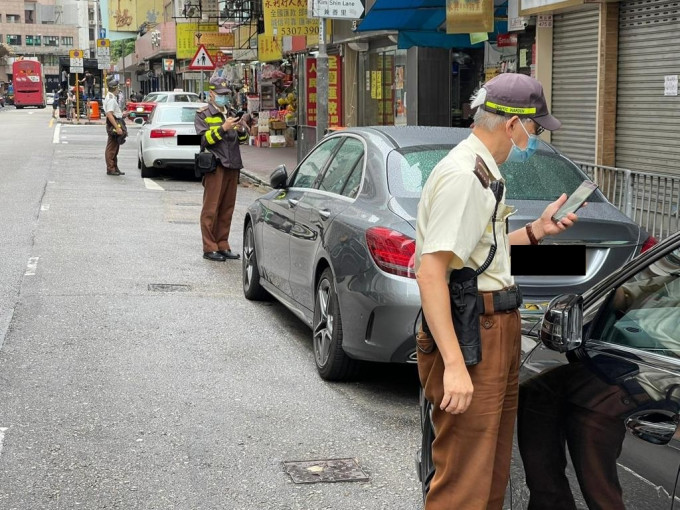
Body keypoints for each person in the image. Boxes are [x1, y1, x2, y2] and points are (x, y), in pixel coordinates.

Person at [414, 73, 579, 510]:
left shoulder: (483, 169)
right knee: (465, 480)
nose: (535, 137)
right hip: (474, 333)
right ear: (512, 125)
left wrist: (537, 232)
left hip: (493, 325)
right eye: (535, 128)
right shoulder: (464, 176)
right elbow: (430, 272)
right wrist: (453, 364)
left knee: (489, 474)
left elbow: (481, 251)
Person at [194, 76, 248, 262]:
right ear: (211, 94)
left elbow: (242, 141)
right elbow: (203, 140)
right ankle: (209, 247)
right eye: (220, 94)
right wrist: (224, 128)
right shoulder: (203, 114)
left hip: (233, 164)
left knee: (227, 208)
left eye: (226, 95)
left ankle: (222, 244)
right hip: (215, 166)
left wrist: (241, 130)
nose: (224, 98)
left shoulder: (231, 112)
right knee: (211, 208)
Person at [103, 79, 129, 176]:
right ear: (115, 88)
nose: (119, 89)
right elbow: (109, 114)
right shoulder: (111, 99)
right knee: (112, 148)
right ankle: (111, 168)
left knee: (115, 147)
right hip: (113, 123)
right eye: (118, 87)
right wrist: (117, 128)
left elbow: (113, 113)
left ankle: (114, 167)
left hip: (116, 121)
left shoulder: (111, 97)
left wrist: (122, 115)